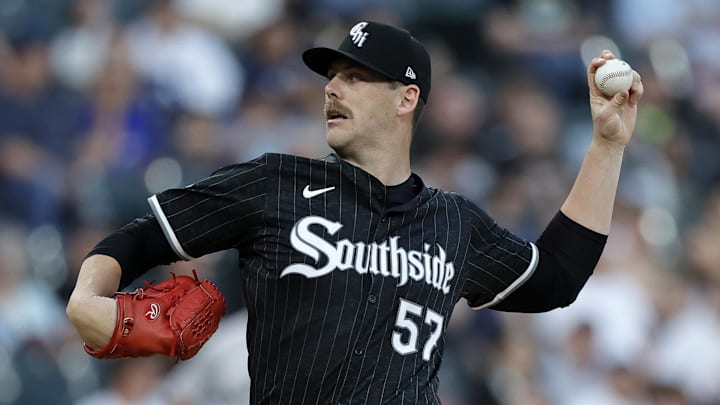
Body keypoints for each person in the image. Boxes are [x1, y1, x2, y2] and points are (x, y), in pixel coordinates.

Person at [66, 20, 643, 404]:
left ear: (406, 98)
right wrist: (88, 298)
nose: (332, 89)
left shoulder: (454, 223)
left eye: (355, 77)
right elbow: (139, 239)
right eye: (331, 76)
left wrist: (607, 147)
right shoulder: (275, 182)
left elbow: (557, 278)